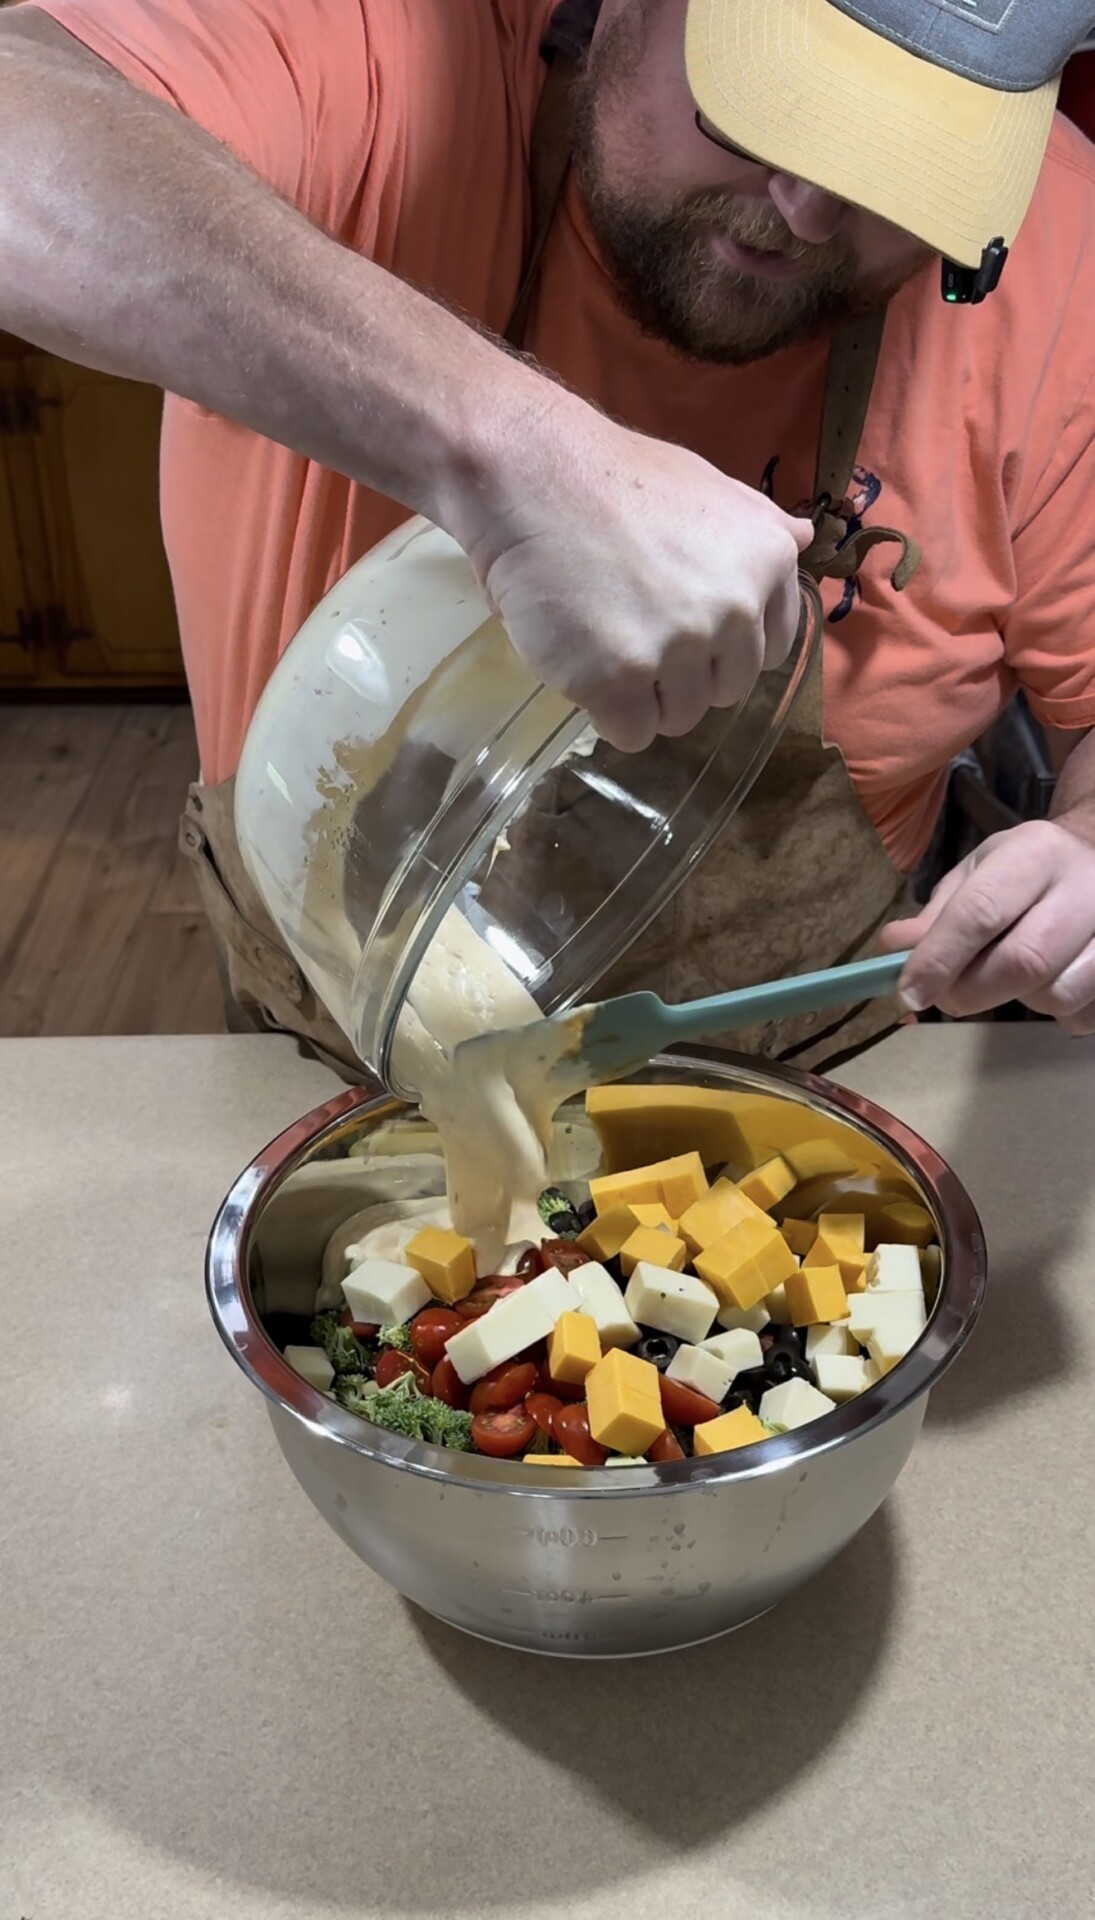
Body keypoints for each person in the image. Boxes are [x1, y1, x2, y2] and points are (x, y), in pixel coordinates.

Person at [4, 0, 1095, 1069]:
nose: (806, 209)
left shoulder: (1062, 262)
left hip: (808, 1094)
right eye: (760, 104)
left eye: (907, 159)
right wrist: (509, 449)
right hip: (326, 1085)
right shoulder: (392, 53)